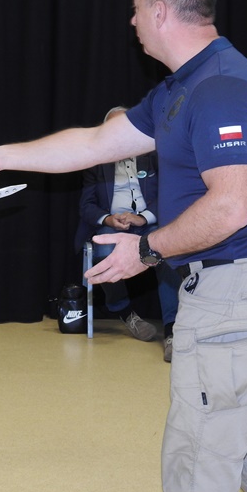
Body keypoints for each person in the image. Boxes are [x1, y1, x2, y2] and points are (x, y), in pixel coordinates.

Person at [0, 0, 247, 492]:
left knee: (199, 461)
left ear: (161, 11)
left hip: (240, 295)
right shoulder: (182, 86)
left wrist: (146, 249)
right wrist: (2, 156)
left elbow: (230, 206)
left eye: (137, 9)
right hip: (242, 288)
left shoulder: (219, 87)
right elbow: (98, 142)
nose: (133, 21)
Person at [75, 106, 180, 361]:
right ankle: (125, 312)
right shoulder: (96, 162)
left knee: (165, 251)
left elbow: (169, 194)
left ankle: (171, 330)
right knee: (103, 250)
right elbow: (87, 205)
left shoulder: (154, 155)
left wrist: (143, 217)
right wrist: (108, 218)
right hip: (113, 223)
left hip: (149, 221)